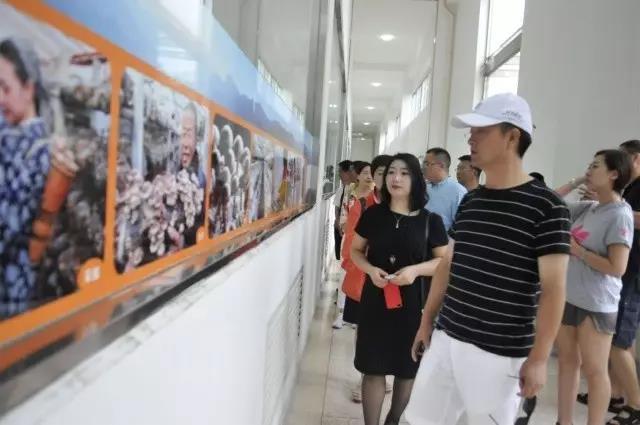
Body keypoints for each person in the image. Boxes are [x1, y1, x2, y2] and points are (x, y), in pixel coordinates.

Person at [405, 93, 571, 424]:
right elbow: (448, 264)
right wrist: (427, 320)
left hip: (500, 353)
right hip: (447, 337)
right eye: (471, 131)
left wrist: (539, 359)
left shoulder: (548, 208)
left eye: (482, 130)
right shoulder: (472, 201)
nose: (471, 138)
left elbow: (554, 290)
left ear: (512, 136)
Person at [350, 153, 449, 425]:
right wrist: (370, 270)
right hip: (376, 299)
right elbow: (356, 251)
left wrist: (415, 271)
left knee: (407, 369)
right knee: (373, 367)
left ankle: (392, 421)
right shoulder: (373, 215)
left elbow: (443, 262)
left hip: (413, 304)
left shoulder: (430, 221)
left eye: (404, 173)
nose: (396, 178)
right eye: (392, 172)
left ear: (416, 179)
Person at [553, 150, 633, 425]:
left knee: (595, 370)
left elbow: (617, 267)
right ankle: (564, 421)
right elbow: (550, 201)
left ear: (614, 174)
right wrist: (577, 180)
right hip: (570, 295)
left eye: (595, 166)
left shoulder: (619, 215)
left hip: (596, 303)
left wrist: (579, 252)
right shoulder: (590, 207)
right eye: (589, 164)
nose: (589, 169)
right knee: (567, 362)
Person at [0, 38, 51, 317]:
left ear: (28, 89)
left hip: (10, 298)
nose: (0, 98)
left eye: (5, 88)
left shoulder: (38, 153)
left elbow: (5, 225)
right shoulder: (9, 135)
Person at [338, 160, 374, 402]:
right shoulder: (357, 200)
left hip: (382, 276)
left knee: (376, 329)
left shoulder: (387, 204)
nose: (372, 177)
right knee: (363, 328)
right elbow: (350, 235)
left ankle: (373, 377)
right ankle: (366, 377)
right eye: (369, 173)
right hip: (360, 272)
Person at [423, 147, 467, 231]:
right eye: (424, 164)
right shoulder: (425, 187)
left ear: (441, 165)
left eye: (427, 164)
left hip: (443, 238)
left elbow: (461, 226)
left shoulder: (457, 191)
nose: (424, 167)